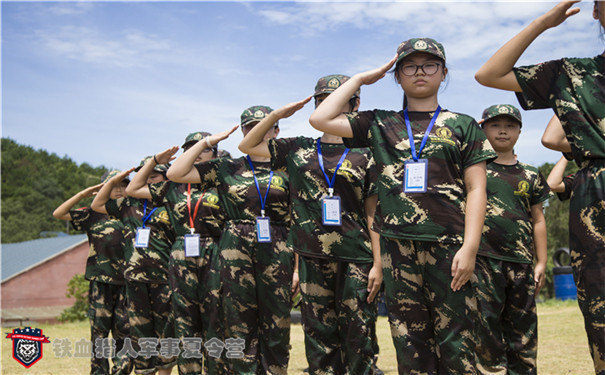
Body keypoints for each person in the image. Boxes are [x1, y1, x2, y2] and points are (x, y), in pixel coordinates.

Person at [309, 38, 497, 374]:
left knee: (458, 344)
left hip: (449, 247)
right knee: (410, 346)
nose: (420, 72)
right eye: (409, 66)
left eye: (430, 65)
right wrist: (361, 80)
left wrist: (471, 247)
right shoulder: (380, 124)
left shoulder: (463, 125)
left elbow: (477, 188)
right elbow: (320, 119)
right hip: (398, 249)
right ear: (397, 76)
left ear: (443, 73)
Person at [475, 2, 605, 371]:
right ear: (597, 12)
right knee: (601, 312)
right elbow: (489, 74)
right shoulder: (574, 73)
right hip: (596, 194)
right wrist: (542, 24)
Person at [239, 75, 383, 374]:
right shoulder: (298, 149)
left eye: (344, 101)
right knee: (319, 341)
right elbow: (247, 144)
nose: (334, 107)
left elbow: (372, 212)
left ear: (356, 105)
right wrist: (276, 116)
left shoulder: (366, 153)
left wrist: (378, 264)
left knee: (359, 339)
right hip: (312, 257)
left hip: (356, 256)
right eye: (324, 101)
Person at [167, 107, 295, 375]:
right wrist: (206, 142)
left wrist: (297, 268)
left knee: (277, 324)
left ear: (276, 130)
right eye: (249, 127)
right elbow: (176, 173)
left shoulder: (289, 166)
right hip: (236, 251)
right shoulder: (228, 167)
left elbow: (300, 219)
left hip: (278, 248)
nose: (256, 132)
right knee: (239, 323)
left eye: (264, 125)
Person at [125, 133, 227, 375]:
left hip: (215, 250)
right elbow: (133, 188)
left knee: (216, 320)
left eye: (204, 148)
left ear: (214, 153)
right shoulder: (173, 187)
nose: (198, 152)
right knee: (185, 321)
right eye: (191, 148)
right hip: (182, 254)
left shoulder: (224, 181)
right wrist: (153, 161)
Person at [475, 104, 550, 374]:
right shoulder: (474, 170)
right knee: (486, 331)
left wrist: (541, 261)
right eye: (495, 125)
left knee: (523, 334)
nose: (503, 131)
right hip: (482, 261)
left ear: (520, 131)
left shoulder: (530, 174)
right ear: (483, 129)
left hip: (521, 262)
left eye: (510, 125)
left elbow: (538, 219)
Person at [92, 160, 175, 375]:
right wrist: (112, 181)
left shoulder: (172, 203)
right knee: (139, 333)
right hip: (135, 280)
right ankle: (144, 371)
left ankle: (165, 370)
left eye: (154, 176)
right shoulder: (128, 205)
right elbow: (97, 204)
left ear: (166, 179)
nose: (148, 179)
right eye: (144, 175)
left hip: (164, 277)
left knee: (166, 333)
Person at [52, 171, 133, 375]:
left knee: (124, 333)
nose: (119, 189)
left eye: (123, 185)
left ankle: (121, 371)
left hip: (127, 283)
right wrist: (83, 194)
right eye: (113, 185)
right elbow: (59, 214)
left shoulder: (133, 212)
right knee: (99, 334)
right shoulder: (92, 213)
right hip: (101, 282)